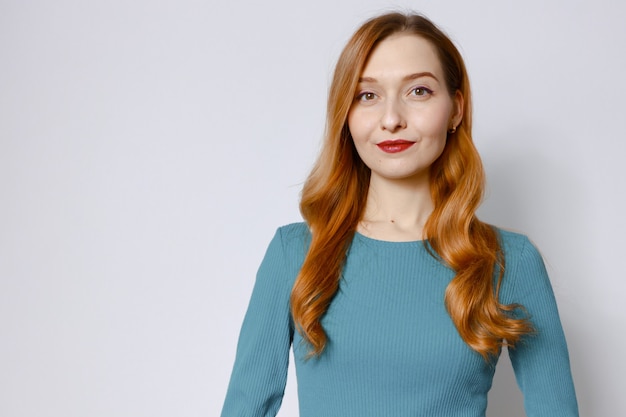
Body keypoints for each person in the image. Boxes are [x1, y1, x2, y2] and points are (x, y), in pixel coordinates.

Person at [220, 11, 578, 417]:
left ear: (456, 109)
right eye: (367, 95)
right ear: (346, 114)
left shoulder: (508, 261)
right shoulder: (295, 253)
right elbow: (245, 408)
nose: (391, 119)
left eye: (419, 91)